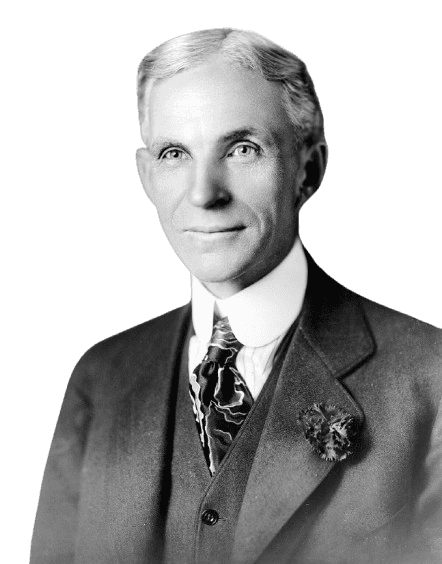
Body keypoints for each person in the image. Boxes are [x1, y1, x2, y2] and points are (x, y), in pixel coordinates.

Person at [30, 28, 442, 564]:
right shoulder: (100, 377)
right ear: (146, 176)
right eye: (175, 153)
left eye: (242, 149)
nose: (204, 193)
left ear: (308, 170)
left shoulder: (429, 377)